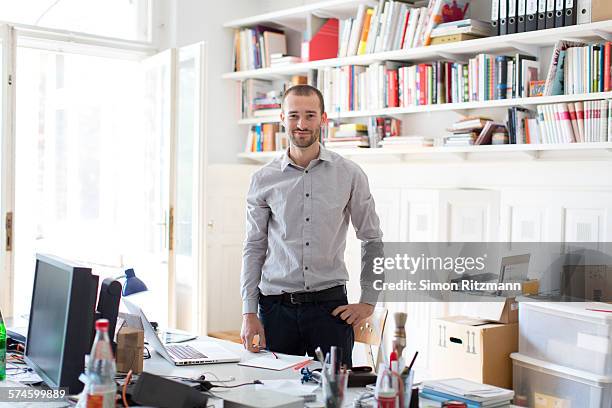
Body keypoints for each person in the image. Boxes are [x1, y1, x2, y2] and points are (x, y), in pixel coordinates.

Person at [239, 84, 383, 366]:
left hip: (330, 309)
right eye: (293, 116)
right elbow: (254, 246)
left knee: (335, 396)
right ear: (282, 118)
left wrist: (368, 301)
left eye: (310, 116)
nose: (301, 124)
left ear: (323, 119)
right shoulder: (263, 179)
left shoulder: (350, 175)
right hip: (275, 308)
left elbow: (372, 239)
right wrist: (248, 312)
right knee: (272, 395)